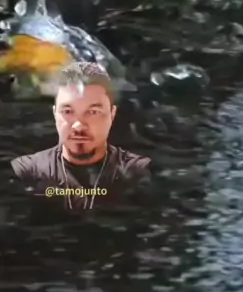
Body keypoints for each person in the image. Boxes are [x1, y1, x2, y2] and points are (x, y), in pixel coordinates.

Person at [11, 61, 151, 210]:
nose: (78, 125)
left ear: (112, 115)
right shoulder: (26, 168)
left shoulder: (135, 170)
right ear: (55, 114)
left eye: (93, 112)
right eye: (68, 112)